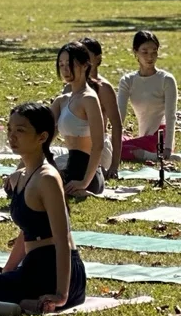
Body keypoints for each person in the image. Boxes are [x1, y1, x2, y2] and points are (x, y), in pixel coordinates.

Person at [0, 101, 86, 313]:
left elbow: (62, 239)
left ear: (42, 137)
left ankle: (28, 303)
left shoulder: (47, 178)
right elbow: (27, 230)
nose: (12, 136)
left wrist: (61, 294)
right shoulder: (21, 176)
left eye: (20, 131)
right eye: (10, 129)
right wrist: (8, 271)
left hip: (53, 273)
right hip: (34, 267)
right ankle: (24, 302)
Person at [51, 42, 109, 196]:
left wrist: (84, 183)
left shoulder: (89, 98)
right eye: (61, 64)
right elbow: (40, 140)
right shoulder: (61, 101)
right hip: (69, 170)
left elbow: (98, 145)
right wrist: (20, 172)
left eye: (70, 64)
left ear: (84, 66)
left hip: (88, 176)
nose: (65, 69)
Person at [116, 30, 177, 163]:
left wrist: (167, 147)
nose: (150, 57)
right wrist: (111, 139)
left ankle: (156, 156)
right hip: (143, 138)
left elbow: (171, 115)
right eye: (145, 52)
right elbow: (120, 114)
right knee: (109, 143)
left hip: (160, 137)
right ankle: (143, 152)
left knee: (118, 149)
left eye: (154, 51)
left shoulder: (166, 79)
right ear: (135, 52)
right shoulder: (127, 80)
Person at [82, 36, 123, 180]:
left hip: (99, 147)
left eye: (87, 55)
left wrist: (114, 166)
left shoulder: (104, 88)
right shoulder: (71, 86)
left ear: (98, 59)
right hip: (77, 146)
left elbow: (117, 127)